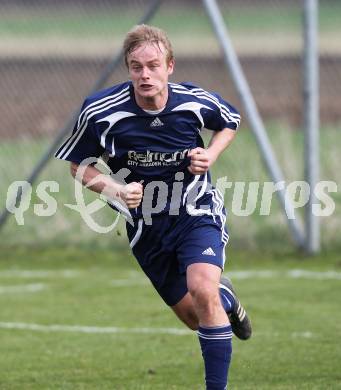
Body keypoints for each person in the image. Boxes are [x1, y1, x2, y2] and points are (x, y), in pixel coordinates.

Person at [55, 24, 251, 390]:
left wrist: (210, 154)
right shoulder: (100, 112)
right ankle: (227, 300)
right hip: (146, 228)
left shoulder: (193, 102)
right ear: (128, 69)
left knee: (201, 289)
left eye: (153, 65)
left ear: (170, 66)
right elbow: (79, 166)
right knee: (196, 316)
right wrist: (115, 190)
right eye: (136, 67)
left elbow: (231, 121)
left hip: (196, 211)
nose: (145, 75)